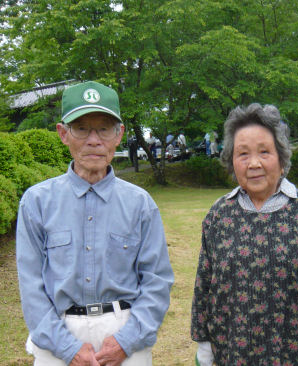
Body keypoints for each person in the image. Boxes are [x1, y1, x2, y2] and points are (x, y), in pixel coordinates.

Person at [16, 81, 175, 366]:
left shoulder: (140, 204)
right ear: (63, 134)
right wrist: (67, 348)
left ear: (119, 135)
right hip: (58, 334)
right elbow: (31, 287)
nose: (94, 140)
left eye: (104, 128)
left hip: (126, 334)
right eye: (82, 128)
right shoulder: (36, 202)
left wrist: (125, 341)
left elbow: (157, 281)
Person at [191, 103, 298, 365]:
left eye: (264, 152)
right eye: (243, 154)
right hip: (231, 352)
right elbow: (204, 285)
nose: (254, 163)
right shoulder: (219, 215)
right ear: (232, 160)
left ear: (281, 157)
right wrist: (204, 346)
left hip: (293, 353)